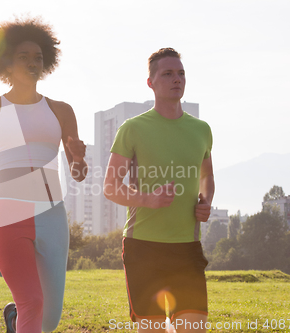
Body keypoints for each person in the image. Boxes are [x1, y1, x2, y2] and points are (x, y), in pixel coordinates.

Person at [0, 17, 87, 333]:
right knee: (32, 303)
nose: (32, 63)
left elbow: (78, 174)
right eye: (24, 56)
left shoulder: (61, 111)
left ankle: (14, 320)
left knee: (49, 318)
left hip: (52, 214)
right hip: (9, 213)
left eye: (38, 57)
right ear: (7, 62)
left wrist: (79, 158)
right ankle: (21, 314)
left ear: (46, 63)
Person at [103, 48, 214, 333]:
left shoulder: (201, 129)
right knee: (151, 329)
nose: (176, 79)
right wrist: (147, 199)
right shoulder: (133, 129)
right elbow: (110, 187)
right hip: (144, 247)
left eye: (181, 73)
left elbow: (207, 178)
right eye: (167, 74)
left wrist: (206, 202)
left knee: (194, 329)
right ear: (150, 82)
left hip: (187, 248)